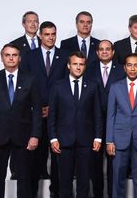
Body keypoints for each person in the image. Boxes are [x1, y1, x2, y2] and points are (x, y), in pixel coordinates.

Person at [0, 44, 41, 198]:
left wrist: (35, 135)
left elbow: (36, 110)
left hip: (23, 137)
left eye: (14, 55)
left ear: (19, 58)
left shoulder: (30, 80)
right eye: (7, 55)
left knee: (24, 178)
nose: (11, 58)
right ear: (2, 58)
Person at [48, 51, 103, 198]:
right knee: (64, 184)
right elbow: (52, 114)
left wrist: (98, 137)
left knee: (84, 183)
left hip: (86, 141)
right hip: (63, 141)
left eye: (81, 64)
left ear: (85, 66)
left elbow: (97, 113)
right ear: (68, 65)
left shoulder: (92, 85)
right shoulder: (58, 86)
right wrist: (53, 138)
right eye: (75, 64)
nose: (78, 67)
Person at [21, 20, 67, 196]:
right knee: (34, 159)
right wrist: (37, 107)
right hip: (35, 115)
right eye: (47, 34)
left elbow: (67, 86)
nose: (50, 37)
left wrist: (53, 108)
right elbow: (24, 85)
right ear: (40, 35)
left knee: (58, 159)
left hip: (58, 116)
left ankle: (55, 193)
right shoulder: (29, 56)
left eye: (53, 34)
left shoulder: (64, 55)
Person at [106, 53, 137, 198]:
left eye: (136, 65)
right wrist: (109, 140)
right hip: (119, 139)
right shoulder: (115, 87)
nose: (132, 68)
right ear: (124, 68)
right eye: (129, 65)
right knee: (117, 178)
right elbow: (111, 115)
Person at [86, 40, 125, 198]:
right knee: (95, 164)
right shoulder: (89, 69)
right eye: (101, 49)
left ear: (113, 52)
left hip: (115, 123)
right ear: (97, 53)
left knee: (113, 164)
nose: (104, 52)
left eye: (107, 49)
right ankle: (97, 194)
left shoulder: (121, 70)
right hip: (93, 123)